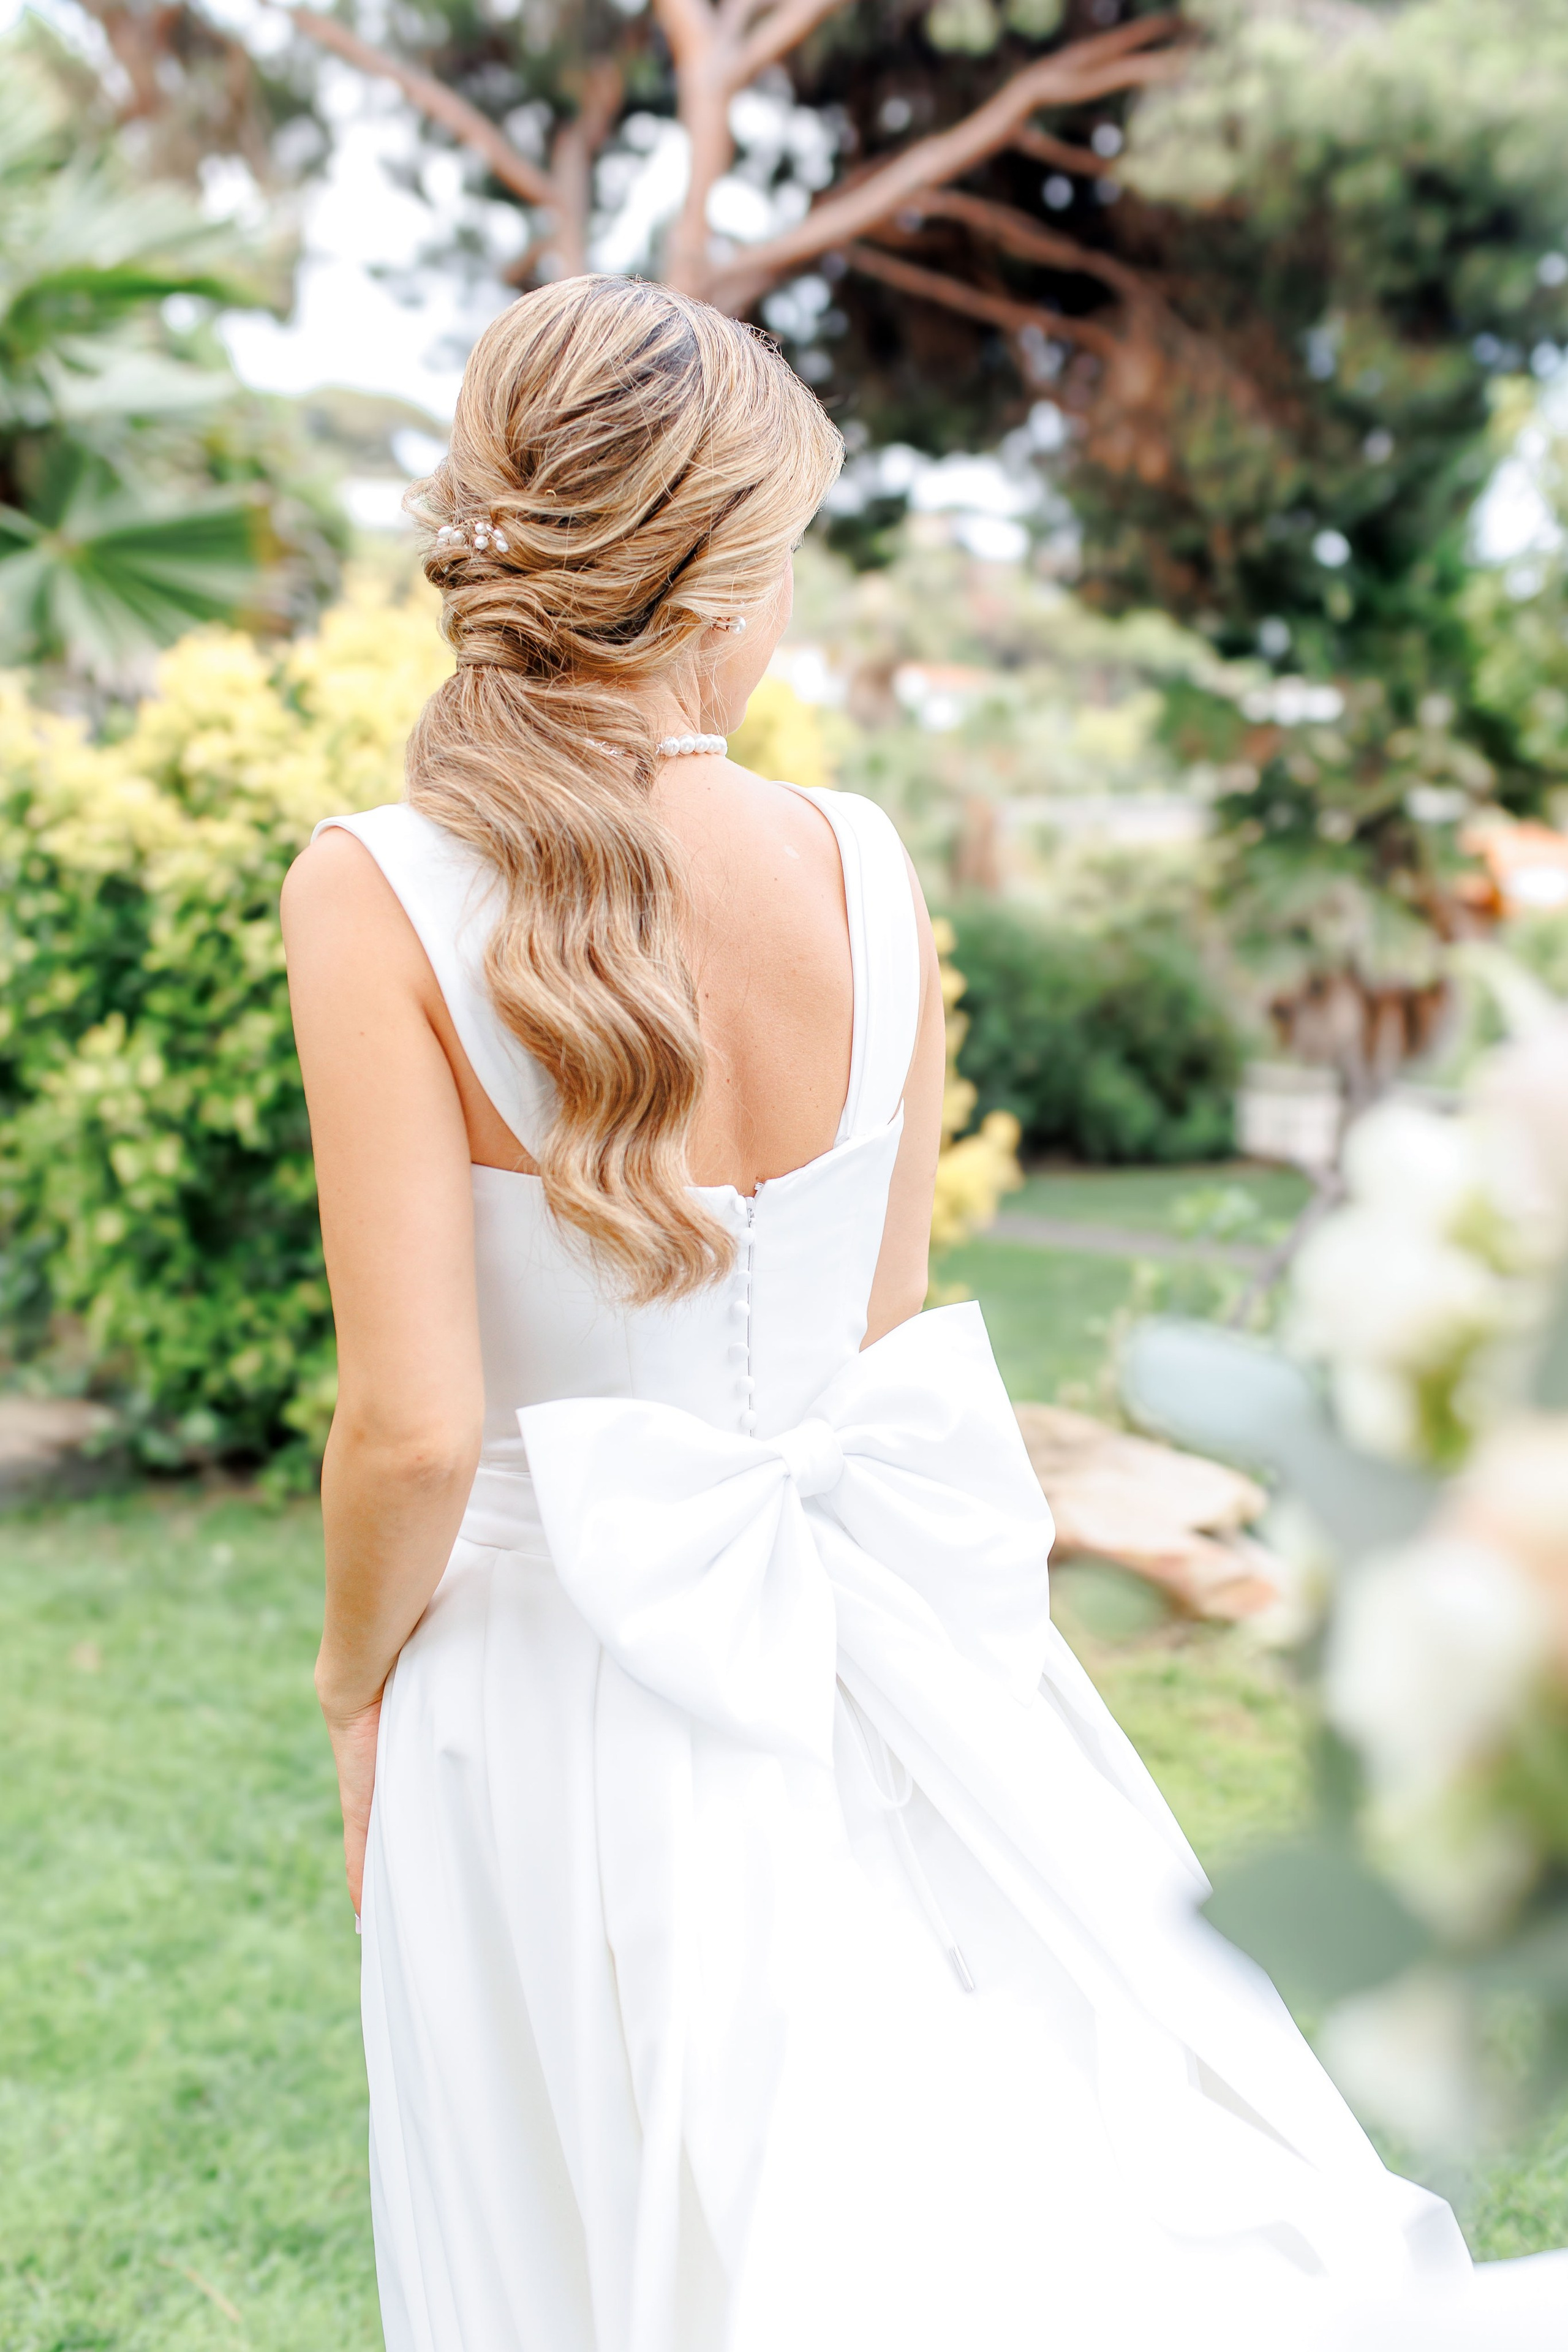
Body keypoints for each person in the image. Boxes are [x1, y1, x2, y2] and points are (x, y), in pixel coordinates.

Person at [282, 276, 1568, 2352]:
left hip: (532, 1685)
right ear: (725, 576)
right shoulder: (870, 871)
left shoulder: (372, 893)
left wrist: (354, 1686)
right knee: (986, 2196)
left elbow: (417, 1431)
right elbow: (881, 1362)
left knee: (593, 2235)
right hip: (871, 1650)